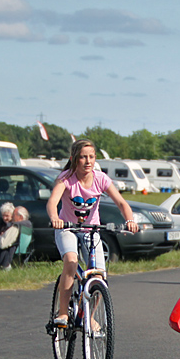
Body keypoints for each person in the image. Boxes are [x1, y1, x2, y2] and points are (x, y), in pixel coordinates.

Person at [47, 139, 138, 327]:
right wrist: (55, 218)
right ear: (74, 159)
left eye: (91, 157)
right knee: (71, 262)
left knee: (99, 277)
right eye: (83, 157)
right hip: (67, 228)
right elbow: (53, 201)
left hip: (91, 230)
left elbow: (121, 203)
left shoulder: (100, 178)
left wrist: (130, 220)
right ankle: (63, 313)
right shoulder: (66, 178)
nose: (88, 161)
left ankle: (89, 316)